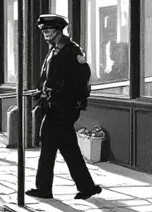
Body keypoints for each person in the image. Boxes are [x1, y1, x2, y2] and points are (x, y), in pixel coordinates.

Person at [28, 14, 102, 201]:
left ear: (59, 31)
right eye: (43, 31)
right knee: (61, 147)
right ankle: (84, 187)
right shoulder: (54, 51)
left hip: (63, 109)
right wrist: (40, 91)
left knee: (54, 146)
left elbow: (81, 79)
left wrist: (64, 98)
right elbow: (47, 78)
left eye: (48, 30)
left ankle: (47, 188)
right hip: (53, 107)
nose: (45, 34)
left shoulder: (71, 51)